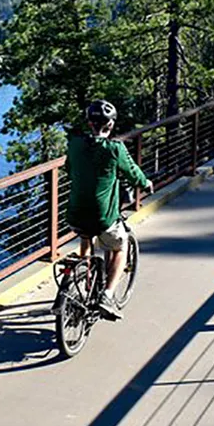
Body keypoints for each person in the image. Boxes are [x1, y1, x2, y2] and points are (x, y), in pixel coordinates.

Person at [65, 100, 152, 319]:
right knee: (120, 247)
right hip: (103, 217)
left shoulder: (75, 144)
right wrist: (146, 184)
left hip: (74, 214)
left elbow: (69, 168)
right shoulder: (115, 149)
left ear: (89, 123)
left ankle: (77, 288)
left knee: (86, 236)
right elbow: (133, 173)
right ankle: (107, 296)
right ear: (111, 125)